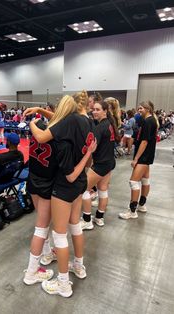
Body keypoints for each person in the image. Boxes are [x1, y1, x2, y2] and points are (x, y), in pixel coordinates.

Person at [24, 91, 96, 298]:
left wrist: (32, 122)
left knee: (48, 230)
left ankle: (51, 278)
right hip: (72, 182)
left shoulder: (62, 129)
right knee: (72, 226)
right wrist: (88, 156)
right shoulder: (86, 122)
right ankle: (77, 265)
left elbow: (42, 135)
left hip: (49, 182)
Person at [81, 100, 120, 230]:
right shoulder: (109, 124)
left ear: (105, 111)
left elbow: (91, 149)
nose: (94, 112)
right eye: (94, 109)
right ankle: (99, 218)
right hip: (109, 162)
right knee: (103, 190)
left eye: (98, 109)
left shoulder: (99, 128)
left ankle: (87, 221)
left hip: (101, 164)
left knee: (83, 189)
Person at [119, 101, 158, 219]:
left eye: (141, 108)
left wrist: (136, 158)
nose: (139, 110)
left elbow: (144, 141)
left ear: (148, 109)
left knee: (133, 182)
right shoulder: (152, 121)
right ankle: (141, 205)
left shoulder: (147, 122)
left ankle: (132, 211)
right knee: (145, 180)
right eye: (138, 109)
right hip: (148, 156)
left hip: (143, 156)